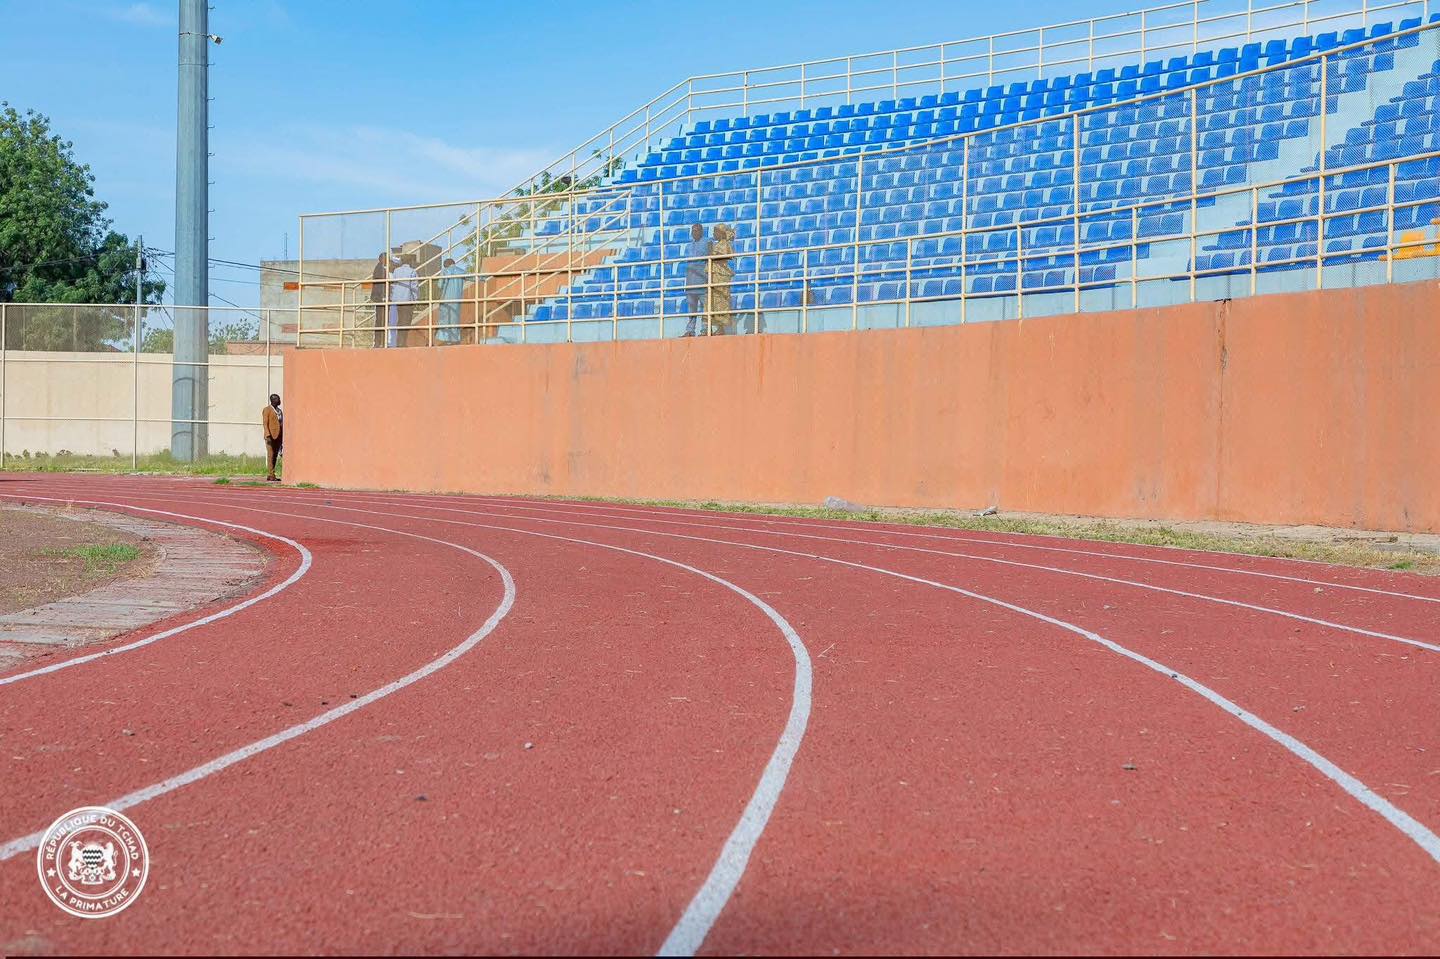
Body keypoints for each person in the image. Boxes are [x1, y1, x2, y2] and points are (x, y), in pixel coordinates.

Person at [682, 223, 712, 336]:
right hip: (690, 281)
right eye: (693, 231)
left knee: (706, 306)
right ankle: (690, 330)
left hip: (703, 279)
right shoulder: (689, 246)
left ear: (701, 231)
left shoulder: (708, 242)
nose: (694, 233)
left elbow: (711, 258)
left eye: (696, 230)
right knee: (691, 307)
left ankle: (705, 329)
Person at [708, 223, 736, 335]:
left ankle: (722, 327)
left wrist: (711, 250)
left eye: (715, 232)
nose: (713, 234)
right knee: (715, 301)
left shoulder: (724, 244)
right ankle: (717, 326)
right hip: (715, 276)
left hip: (721, 275)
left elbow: (721, 257)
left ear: (721, 233)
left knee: (721, 301)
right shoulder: (718, 244)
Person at [388, 254, 419, 348]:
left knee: (399, 320)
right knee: (405, 321)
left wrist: (393, 296)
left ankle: (398, 342)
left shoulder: (396, 271)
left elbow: (393, 284)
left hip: (396, 299)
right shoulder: (412, 271)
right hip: (407, 299)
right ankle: (402, 342)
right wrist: (415, 299)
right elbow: (414, 287)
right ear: (410, 261)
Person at [438, 257, 466, 344]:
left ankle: (447, 340)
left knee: (445, 320)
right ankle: (455, 339)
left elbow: (440, 285)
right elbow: (473, 277)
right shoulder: (461, 271)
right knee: (455, 319)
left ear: (446, 265)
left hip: (446, 299)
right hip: (457, 300)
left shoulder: (445, 271)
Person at [367, 252, 388, 348]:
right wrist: (383, 296)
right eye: (386, 258)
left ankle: (380, 342)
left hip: (380, 297)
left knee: (381, 320)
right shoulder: (380, 269)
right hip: (380, 298)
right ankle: (378, 342)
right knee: (380, 320)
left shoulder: (381, 268)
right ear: (381, 259)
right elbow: (380, 285)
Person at [261, 393, 283, 482]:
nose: (279, 400)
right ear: (272, 400)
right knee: (270, 455)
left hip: (278, 436)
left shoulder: (279, 411)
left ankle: (271, 474)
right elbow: (265, 423)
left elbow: (281, 423)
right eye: (277, 399)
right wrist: (267, 435)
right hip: (270, 436)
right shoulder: (267, 410)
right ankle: (271, 474)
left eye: (279, 399)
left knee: (275, 456)